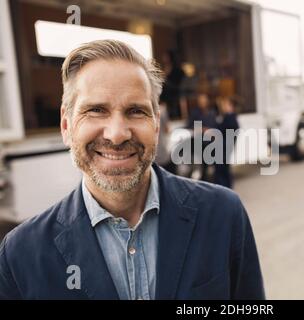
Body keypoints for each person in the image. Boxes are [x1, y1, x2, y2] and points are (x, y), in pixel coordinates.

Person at [0, 40, 264, 300]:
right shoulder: (20, 254)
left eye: (136, 111)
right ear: (66, 126)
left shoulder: (224, 214)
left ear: (157, 125)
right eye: (96, 110)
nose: (116, 135)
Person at [214, 97, 240, 189]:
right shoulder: (228, 117)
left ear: (231, 106)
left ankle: (224, 188)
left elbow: (222, 131)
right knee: (224, 169)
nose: (223, 107)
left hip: (224, 147)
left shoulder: (230, 118)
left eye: (225, 105)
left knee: (222, 170)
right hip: (225, 147)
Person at [159, 50, 185, 119]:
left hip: (174, 97)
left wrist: (165, 80)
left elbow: (178, 85)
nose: (164, 58)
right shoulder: (163, 69)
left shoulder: (178, 70)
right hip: (163, 97)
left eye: (166, 56)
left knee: (174, 117)